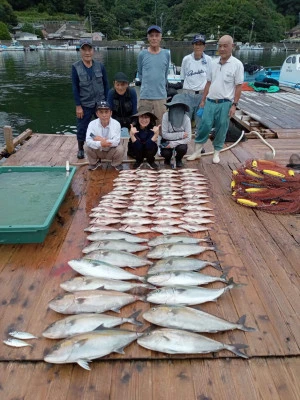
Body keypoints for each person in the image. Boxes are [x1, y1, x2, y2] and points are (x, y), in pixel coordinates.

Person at [187, 35, 244, 164]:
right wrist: (203, 100)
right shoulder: (212, 63)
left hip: (226, 103)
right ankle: (197, 151)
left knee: (221, 127)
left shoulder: (237, 65)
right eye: (220, 46)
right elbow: (208, 83)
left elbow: (238, 87)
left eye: (225, 46)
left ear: (232, 47)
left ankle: (216, 152)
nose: (222, 49)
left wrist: (234, 105)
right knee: (204, 125)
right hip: (210, 101)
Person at [72, 39, 109, 159]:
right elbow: (75, 88)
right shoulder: (75, 67)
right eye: (84, 50)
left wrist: (107, 103)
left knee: (104, 124)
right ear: (80, 51)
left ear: (93, 51)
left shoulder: (100, 66)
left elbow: (106, 84)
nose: (87, 52)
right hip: (85, 103)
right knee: (82, 126)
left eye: (89, 49)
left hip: (100, 102)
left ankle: (105, 145)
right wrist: (78, 106)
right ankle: (80, 148)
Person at [179, 34, 212, 134]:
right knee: (186, 119)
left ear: (204, 46)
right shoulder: (186, 59)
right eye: (196, 44)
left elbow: (210, 80)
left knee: (200, 120)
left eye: (201, 44)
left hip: (202, 95)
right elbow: (182, 77)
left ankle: (199, 145)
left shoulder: (209, 60)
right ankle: (185, 144)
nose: (198, 47)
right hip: (188, 93)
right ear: (193, 45)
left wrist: (206, 97)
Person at [137, 25, 170, 125]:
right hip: (145, 97)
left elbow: (165, 73)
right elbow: (140, 73)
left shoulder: (166, 54)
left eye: (156, 35)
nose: (154, 38)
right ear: (148, 38)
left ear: (160, 37)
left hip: (161, 97)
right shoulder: (142, 54)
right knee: (144, 125)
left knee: (160, 125)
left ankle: (160, 141)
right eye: (151, 35)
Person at [85, 101, 124, 171]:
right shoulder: (92, 124)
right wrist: (100, 143)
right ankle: (94, 163)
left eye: (106, 112)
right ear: (97, 114)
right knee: (86, 146)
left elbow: (116, 141)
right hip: (98, 150)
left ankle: (116, 164)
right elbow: (88, 140)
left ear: (111, 113)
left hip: (110, 151)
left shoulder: (117, 124)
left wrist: (100, 139)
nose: (104, 115)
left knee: (120, 149)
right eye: (101, 112)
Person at [160, 98, 191, 168]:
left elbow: (188, 138)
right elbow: (164, 134)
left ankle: (179, 159)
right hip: (168, 140)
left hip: (180, 142)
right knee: (166, 153)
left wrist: (173, 144)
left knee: (182, 148)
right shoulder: (165, 116)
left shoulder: (186, 119)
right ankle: (167, 159)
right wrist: (181, 135)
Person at [107, 72, 138, 137]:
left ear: (127, 84)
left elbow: (134, 111)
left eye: (123, 85)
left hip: (130, 118)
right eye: (117, 85)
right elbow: (109, 111)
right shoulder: (111, 93)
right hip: (116, 118)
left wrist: (133, 124)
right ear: (114, 84)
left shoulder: (132, 92)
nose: (120, 88)